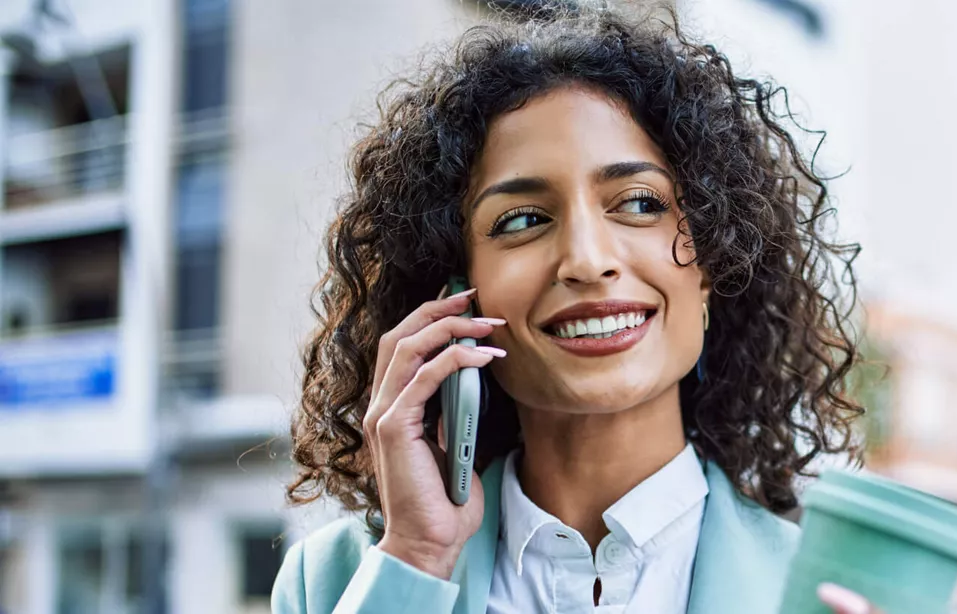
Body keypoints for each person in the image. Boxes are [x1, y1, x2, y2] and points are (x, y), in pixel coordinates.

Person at [270, 5, 876, 613]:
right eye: (523, 220)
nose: (586, 260)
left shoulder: (829, 593)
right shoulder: (336, 581)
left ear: (713, 264)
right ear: (455, 289)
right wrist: (417, 559)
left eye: (639, 204)